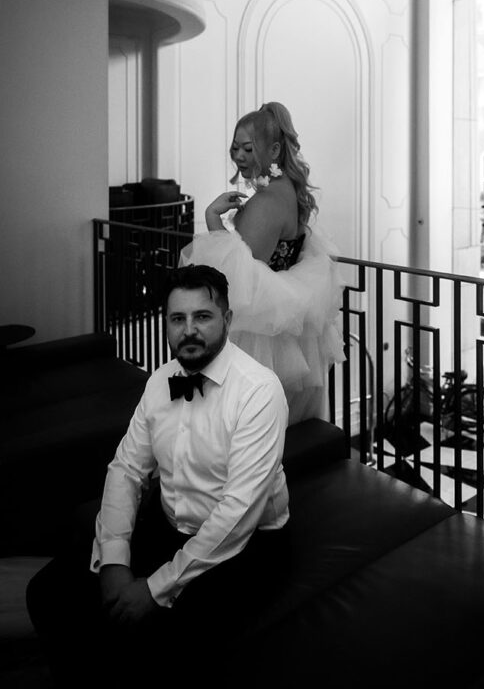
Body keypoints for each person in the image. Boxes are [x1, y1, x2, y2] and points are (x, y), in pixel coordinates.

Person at [27, 264, 290, 688]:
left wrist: (154, 588)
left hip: (249, 544)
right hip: (170, 524)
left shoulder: (260, 391)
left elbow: (237, 514)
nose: (189, 330)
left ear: (227, 320)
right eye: (177, 318)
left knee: (157, 647)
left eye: (202, 317)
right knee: (48, 593)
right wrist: (113, 558)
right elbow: (126, 469)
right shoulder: (159, 382)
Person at [180, 101, 344, 425]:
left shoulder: (266, 202)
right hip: (284, 324)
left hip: (261, 331)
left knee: (243, 421)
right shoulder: (289, 190)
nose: (238, 156)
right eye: (235, 147)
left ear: (274, 150)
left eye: (247, 148)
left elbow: (235, 277)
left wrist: (212, 217)